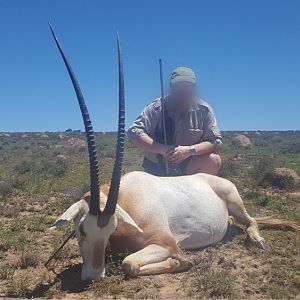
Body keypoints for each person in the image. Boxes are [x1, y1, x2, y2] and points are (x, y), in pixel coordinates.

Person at [128, 67, 222, 176]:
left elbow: (214, 141)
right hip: (156, 166)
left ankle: (194, 191)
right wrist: (163, 150)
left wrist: (189, 150)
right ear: (172, 88)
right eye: (178, 87)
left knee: (213, 160)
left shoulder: (204, 110)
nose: (182, 91)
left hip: (187, 164)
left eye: (187, 87)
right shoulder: (156, 108)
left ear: (193, 88)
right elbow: (134, 133)